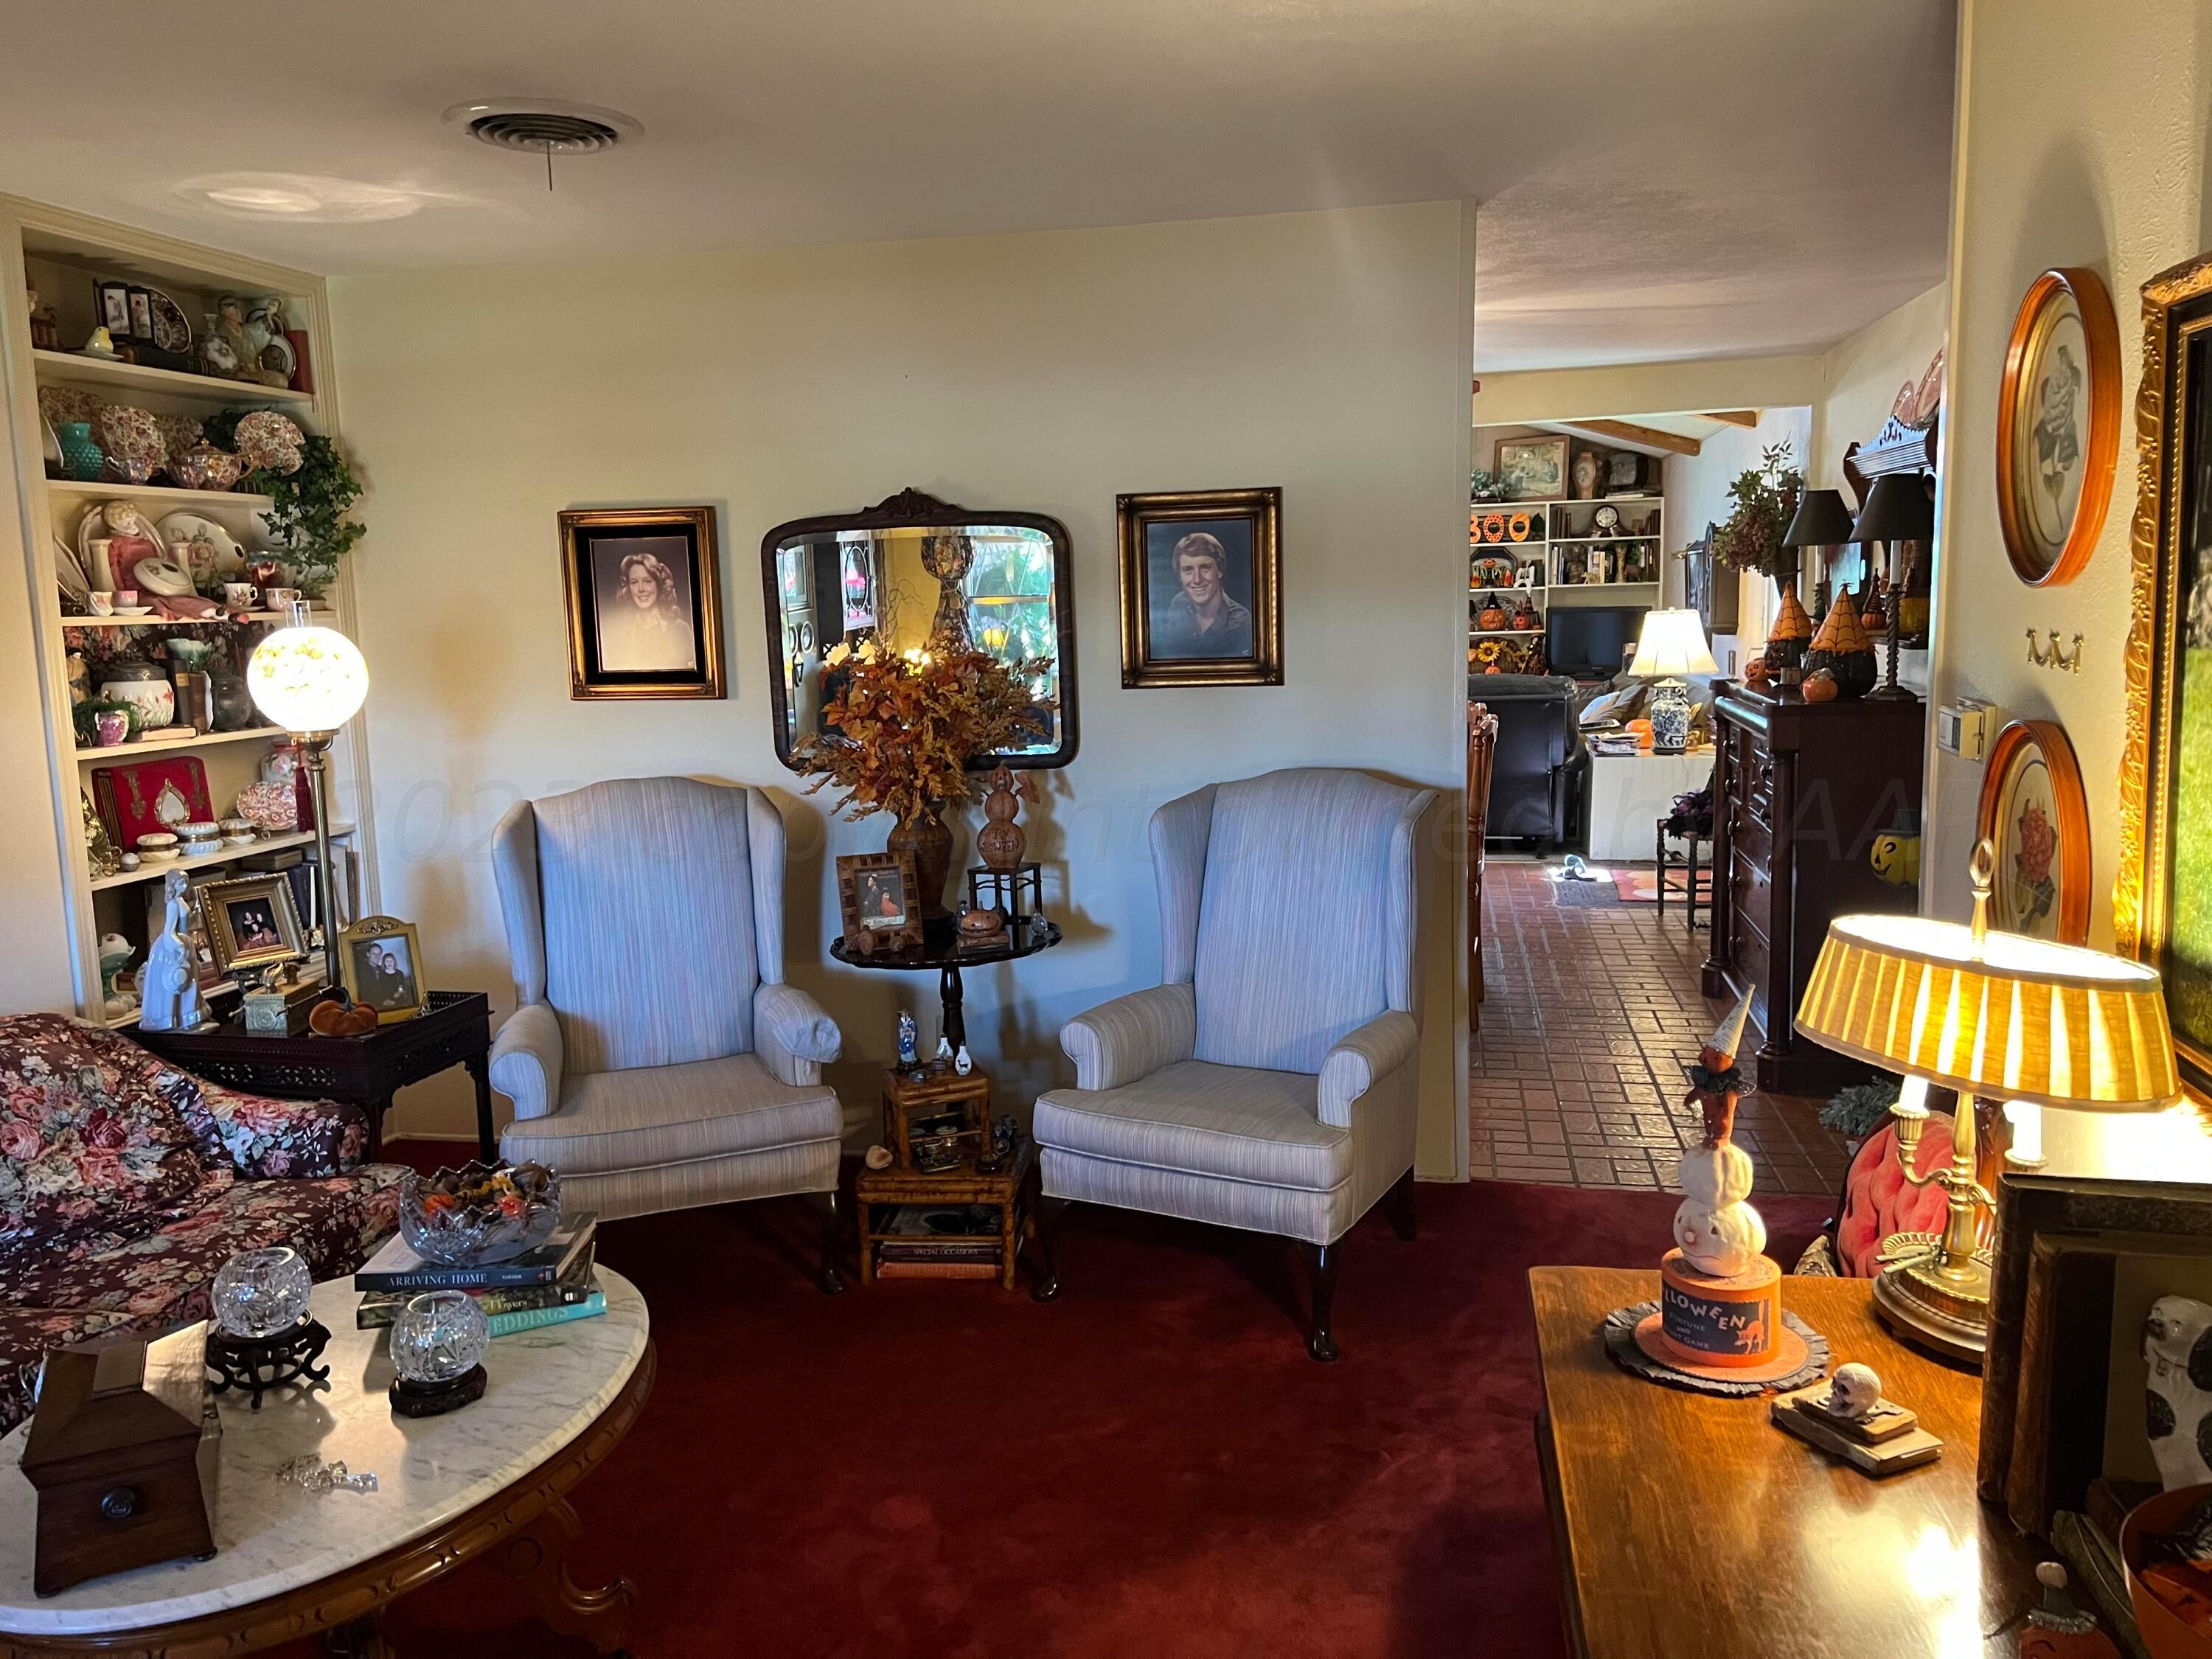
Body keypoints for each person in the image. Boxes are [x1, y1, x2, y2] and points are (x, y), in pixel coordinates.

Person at [1151, 531, 1252, 659]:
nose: (1197, 579)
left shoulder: (1241, 622)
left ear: (1220, 570)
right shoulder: (1178, 604)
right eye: (1188, 570)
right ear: (1179, 576)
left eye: (1205, 568)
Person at [599, 549, 697, 672]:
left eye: (648, 581)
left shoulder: (680, 629)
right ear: (628, 587)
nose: (641, 589)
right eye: (634, 582)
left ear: (659, 585)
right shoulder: (622, 633)